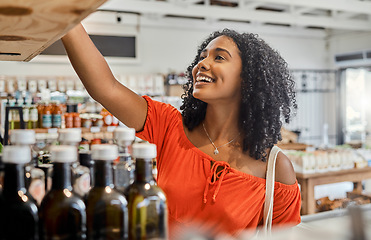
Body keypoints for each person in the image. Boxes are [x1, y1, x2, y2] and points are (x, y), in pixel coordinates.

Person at [62, 24, 301, 238]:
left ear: (247, 79)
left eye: (219, 57)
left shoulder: (274, 167)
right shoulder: (169, 126)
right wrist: (65, 19)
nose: (202, 64)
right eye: (202, 56)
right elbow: (107, 87)